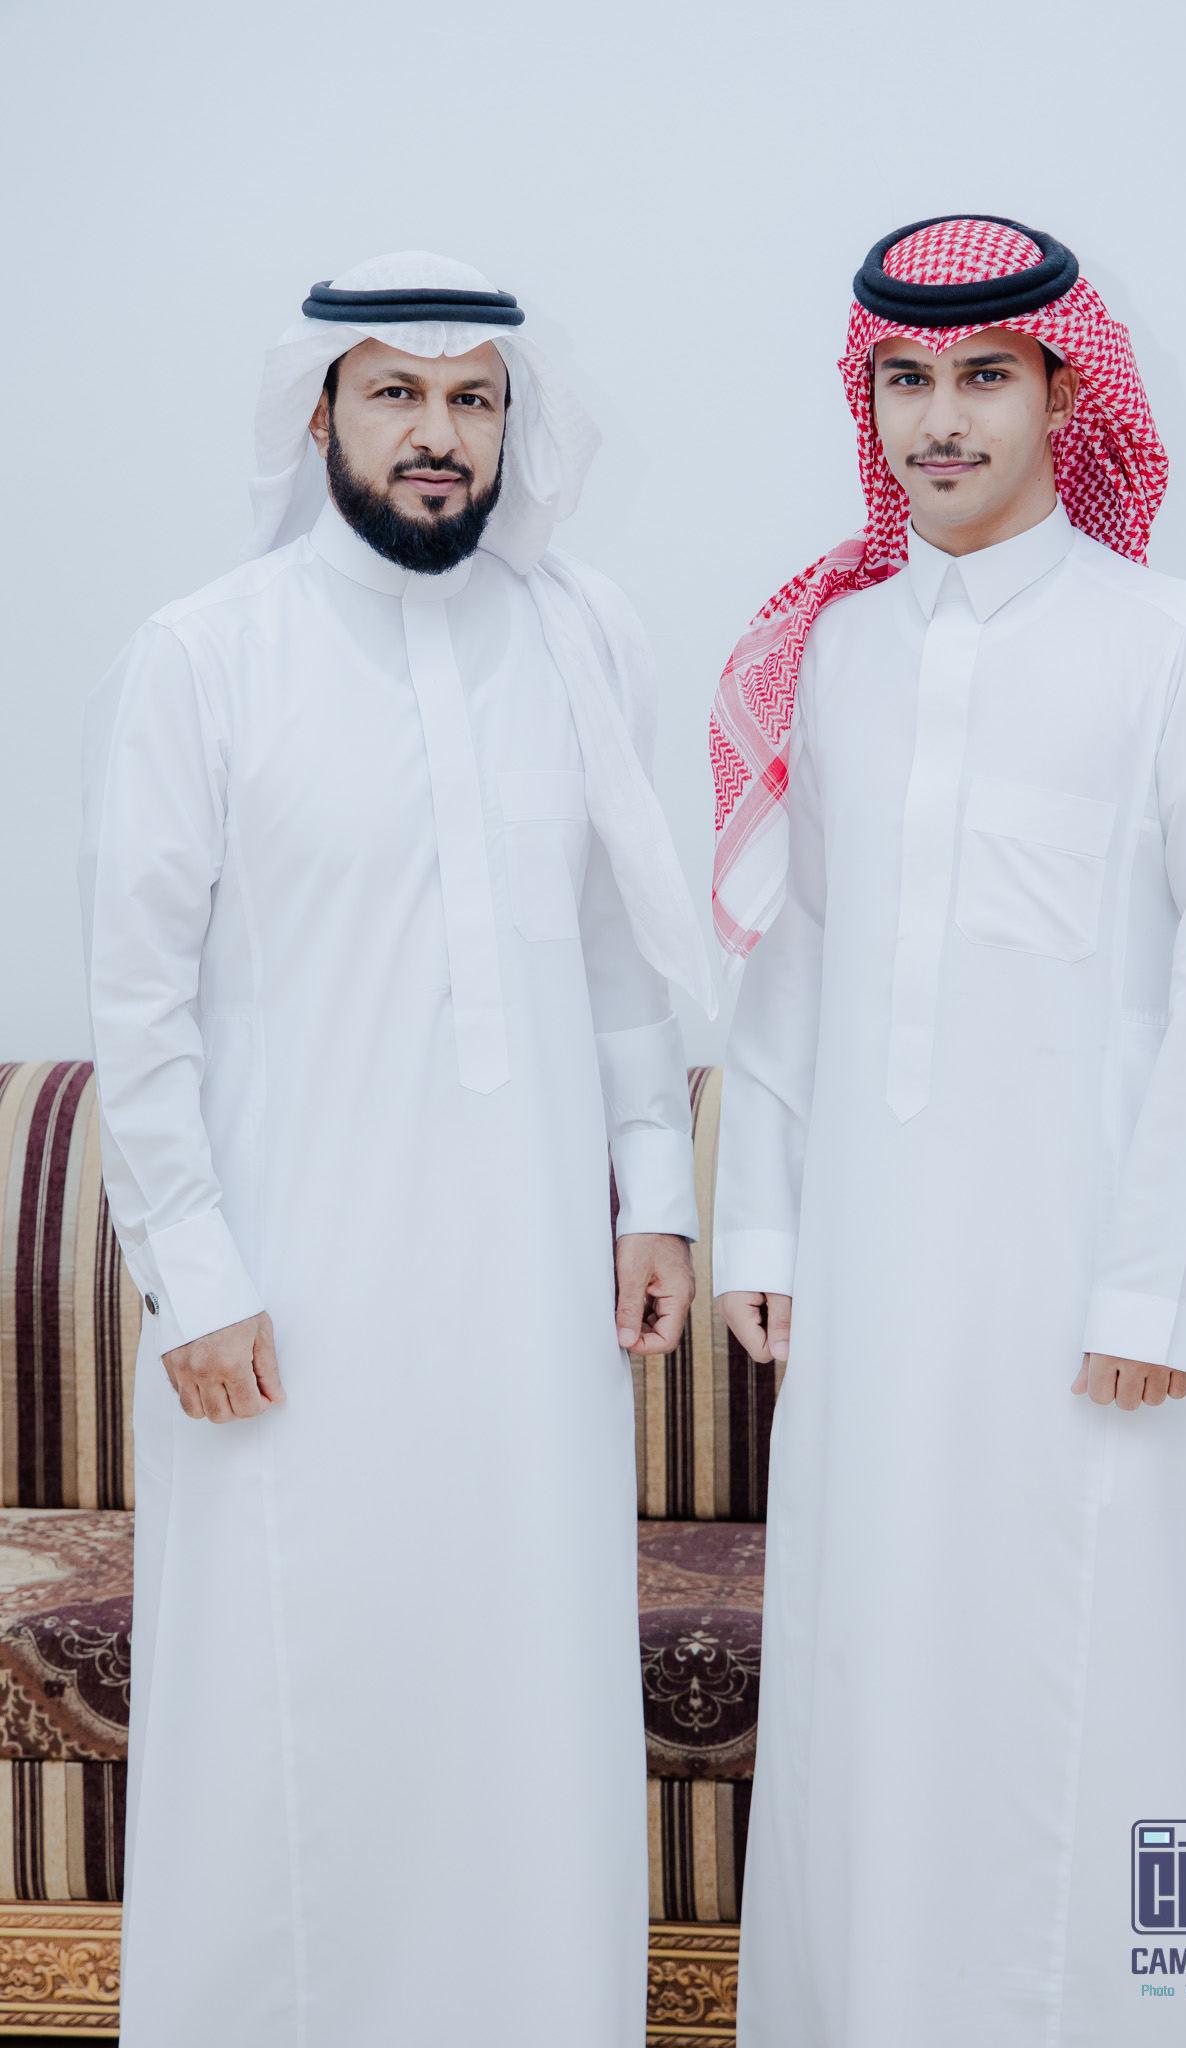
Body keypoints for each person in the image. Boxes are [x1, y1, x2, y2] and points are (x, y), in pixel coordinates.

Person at [80, 250, 714, 2048]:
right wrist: (194, 1274)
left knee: (519, 1685)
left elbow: (619, 950)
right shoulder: (204, 655)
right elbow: (139, 1002)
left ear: (513, 424)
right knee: (293, 1695)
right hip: (289, 1291)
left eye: (472, 400)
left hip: (527, 1292)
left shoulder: (581, 638)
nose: (437, 435)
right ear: (319, 415)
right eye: (396, 395)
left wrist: (655, 1195)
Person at [710, 215, 1186, 2045]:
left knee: (1131, 1683)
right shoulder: (833, 650)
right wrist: (764, 1229)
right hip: (870, 1284)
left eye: (981, 376)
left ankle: (1184, 2014)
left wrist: (1153, 1291)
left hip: (1086, 1288)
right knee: (867, 1677)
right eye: (903, 379)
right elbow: (788, 964)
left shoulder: (1173, 641)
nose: (937, 419)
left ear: (1061, 393)